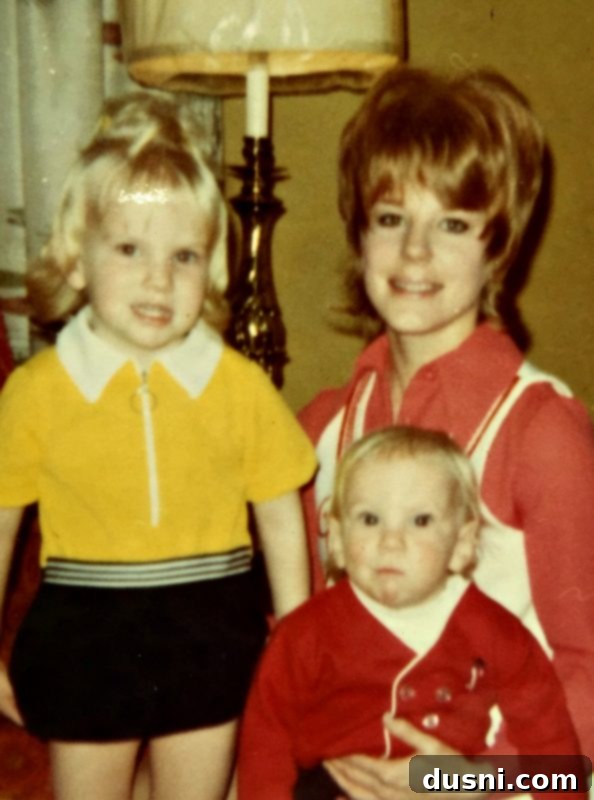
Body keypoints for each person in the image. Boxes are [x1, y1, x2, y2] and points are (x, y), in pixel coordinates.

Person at [0, 93, 316, 800]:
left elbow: (279, 511)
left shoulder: (238, 386)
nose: (158, 278)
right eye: (129, 249)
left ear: (212, 271)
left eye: (184, 256)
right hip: (84, 639)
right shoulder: (37, 391)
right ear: (76, 261)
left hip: (211, 633)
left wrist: (297, 638)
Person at [299, 66, 594, 798]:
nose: (415, 252)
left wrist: (464, 782)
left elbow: (589, 671)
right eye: (391, 217)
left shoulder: (539, 431)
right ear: (359, 233)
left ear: (498, 247)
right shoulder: (325, 426)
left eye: (453, 224)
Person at [238, 426, 583, 800]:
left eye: (420, 521)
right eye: (370, 519)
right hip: (327, 787)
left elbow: (551, 744)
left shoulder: (497, 632)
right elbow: (264, 746)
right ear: (336, 538)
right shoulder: (304, 634)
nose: (391, 542)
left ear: (462, 543)